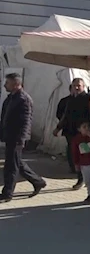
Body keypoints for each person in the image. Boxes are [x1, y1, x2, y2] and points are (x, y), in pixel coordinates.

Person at [1, 73, 46, 202]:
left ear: (16, 84)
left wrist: (21, 138)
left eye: (7, 83)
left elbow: (26, 121)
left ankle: (7, 193)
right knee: (17, 163)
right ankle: (38, 182)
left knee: (11, 166)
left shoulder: (23, 99)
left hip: (16, 137)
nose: (4, 85)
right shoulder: (11, 98)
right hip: (9, 136)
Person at [54, 78, 90, 190]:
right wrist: (58, 128)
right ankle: (81, 177)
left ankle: (83, 179)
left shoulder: (89, 98)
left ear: (83, 86)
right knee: (74, 155)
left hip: (84, 133)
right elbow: (65, 116)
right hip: (71, 131)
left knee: (84, 155)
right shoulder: (70, 100)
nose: (76, 87)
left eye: (79, 85)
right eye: (74, 85)